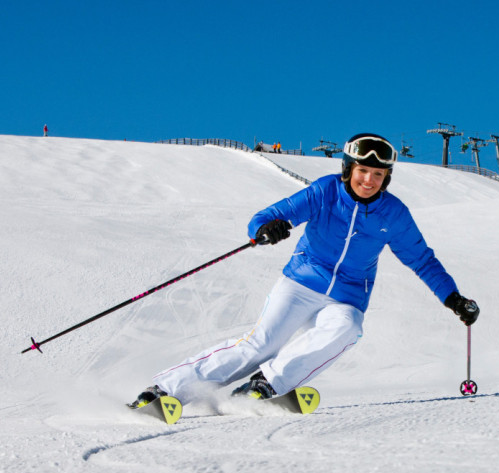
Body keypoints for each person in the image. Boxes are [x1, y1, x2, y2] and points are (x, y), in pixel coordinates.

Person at [131, 133, 479, 408]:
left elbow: (421, 259)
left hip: (347, 295)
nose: (369, 180)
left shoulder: (395, 214)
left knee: (347, 329)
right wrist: (269, 228)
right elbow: (263, 218)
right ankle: (164, 389)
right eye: (362, 171)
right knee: (259, 345)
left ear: (386, 177)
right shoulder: (325, 191)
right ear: (348, 170)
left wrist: (453, 298)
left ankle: (267, 383)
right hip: (300, 282)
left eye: (377, 174)